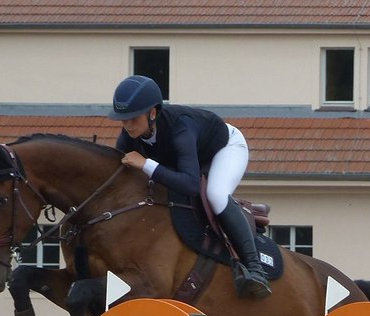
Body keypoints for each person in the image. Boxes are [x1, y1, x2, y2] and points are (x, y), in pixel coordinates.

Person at [109, 74, 271, 299]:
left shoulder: (180, 128)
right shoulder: (129, 136)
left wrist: (146, 164)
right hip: (191, 156)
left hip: (225, 148)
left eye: (133, 118)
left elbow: (190, 184)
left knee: (216, 194)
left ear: (152, 113)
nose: (127, 125)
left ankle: (255, 269)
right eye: (123, 119)